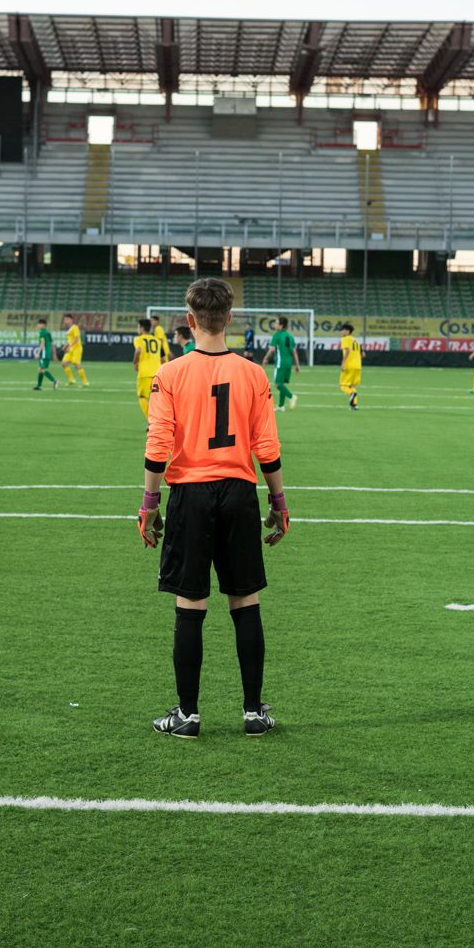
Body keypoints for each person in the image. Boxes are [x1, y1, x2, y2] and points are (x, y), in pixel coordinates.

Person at [138, 277, 287, 738]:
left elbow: (159, 442)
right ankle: (253, 713)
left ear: (189, 320)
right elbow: (266, 445)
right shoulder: (253, 374)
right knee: (245, 599)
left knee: (191, 602)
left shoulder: (171, 373)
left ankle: (186, 715)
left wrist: (149, 503)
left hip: (192, 495)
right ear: (229, 319)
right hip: (240, 492)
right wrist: (278, 500)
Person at [261, 316, 299, 410]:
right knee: (282, 383)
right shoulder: (290, 336)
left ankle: (291, 396)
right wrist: (297, 365)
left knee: (277, 384)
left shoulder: (277, 335)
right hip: (288, 363)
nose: (274, 325)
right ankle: (281, 406)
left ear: (281, 326)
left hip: (280, 363)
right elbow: (293, 351)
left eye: (276, 323)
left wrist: (265, 359)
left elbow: (272, 349)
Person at [134, 318, 164, 418]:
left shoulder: (138, 339)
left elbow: (138, 351)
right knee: (157, 398)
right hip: (157, 373)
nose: (137, 329)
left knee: (142, 397)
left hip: (145, 373)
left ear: (142, 328)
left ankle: (151, 421)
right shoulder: (157, 340)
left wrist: (135, 363)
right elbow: (163, 357)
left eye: (138, 327)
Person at [338, 322, 362, 410]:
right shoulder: (356, 340)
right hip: (358, 366)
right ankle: (354, 405)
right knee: (352, 386)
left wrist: (343, 363)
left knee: (343, 385)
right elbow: (363, 354)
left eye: (343, 330)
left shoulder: (345, 339)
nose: (341, 332)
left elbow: (347, 351)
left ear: (348, 331)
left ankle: (351, 394)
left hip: (349, 365)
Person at [60, 313, 88, 387]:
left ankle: (85, 382)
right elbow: (70, 340)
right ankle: (71, 380)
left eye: (67, 319)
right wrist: (65, 346)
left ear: (71, 320)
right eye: (65, 319)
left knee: (76, 364)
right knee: (64, 363)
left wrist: (70, 346)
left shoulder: (75, 327)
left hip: (77, 348)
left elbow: (76, 339)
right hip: (70, 349)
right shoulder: (68, 329)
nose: (65, 321)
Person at [32, 318, 59, 391]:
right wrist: (54, 354)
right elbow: (53, 344)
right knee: (40, 369)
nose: (37, 325)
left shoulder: (42, 333)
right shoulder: (48, 332)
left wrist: (37, 353)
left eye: (39, 324)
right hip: (48, 353)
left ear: (43, 325)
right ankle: (39, 385)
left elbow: (42, 343)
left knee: (41, 369)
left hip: (43, 354)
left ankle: (54, 380)